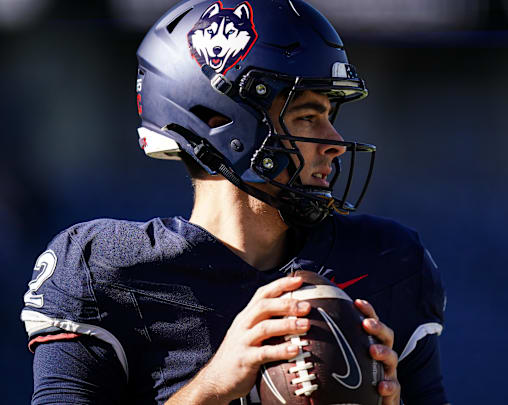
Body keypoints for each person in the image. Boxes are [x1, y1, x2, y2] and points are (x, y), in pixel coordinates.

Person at [20, 1, 448, 404]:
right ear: (217, 121)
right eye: (306, 116)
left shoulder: (389, 261)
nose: (335, 143)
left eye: (329, 117)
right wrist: (211, 387)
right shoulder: (105, 271)